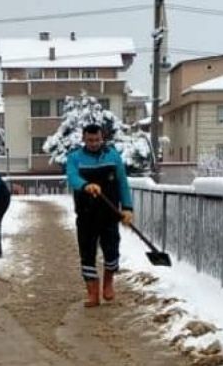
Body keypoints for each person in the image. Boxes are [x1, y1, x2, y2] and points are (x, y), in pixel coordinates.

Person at [66, 123, 133, 307]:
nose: (94, 143)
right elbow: (71, 177)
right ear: (84, 139)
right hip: (86, 215)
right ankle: (93, 293)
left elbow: (123, 183)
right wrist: (85, 185)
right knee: (87, 254)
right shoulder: (74, 158)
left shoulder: (113, 156)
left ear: (102, 138)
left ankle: (108, 282)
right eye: (90, 140)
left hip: (109, 214)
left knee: (111, 252)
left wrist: (127, 208)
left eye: (97, 139)